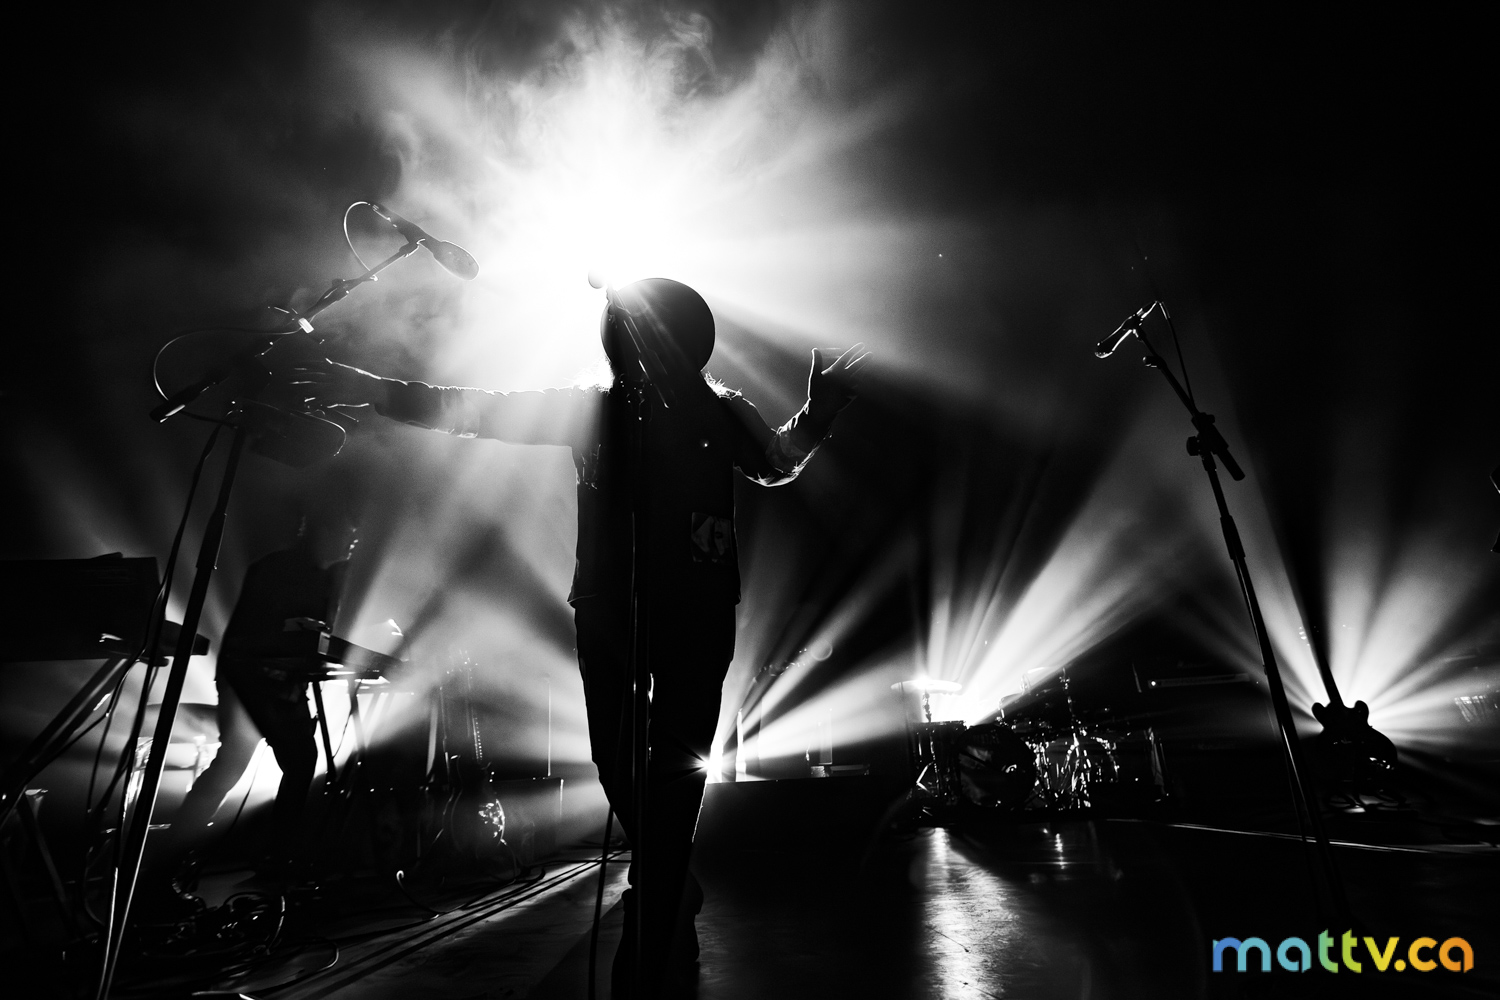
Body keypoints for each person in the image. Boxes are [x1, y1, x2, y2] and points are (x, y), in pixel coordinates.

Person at [299, 278, 866, 998]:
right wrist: (375, 390)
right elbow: (474, 410)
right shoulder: (590, 408)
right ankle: (668, 876)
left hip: (697, 604)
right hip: (608, 603)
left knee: (678, 763)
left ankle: (656, 917)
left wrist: (818, 414)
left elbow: (775, 462)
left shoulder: (722, 410)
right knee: (614, 757)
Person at [161, 508, 357, 887]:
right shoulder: (275, 569)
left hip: (278, 684)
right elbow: (257, 634)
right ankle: (187, 856)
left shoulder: (325, 579)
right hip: (247, 678)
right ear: (321, 530)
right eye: (346, 532)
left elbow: (313, 638)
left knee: (272, 762)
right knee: (272, 762)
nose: (352, 542)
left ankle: (183, 855)